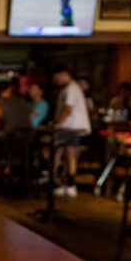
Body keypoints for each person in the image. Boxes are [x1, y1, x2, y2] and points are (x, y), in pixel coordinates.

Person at [52, 64, 91, 197]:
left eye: (56, 77)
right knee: (68, 155)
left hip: (71, 127)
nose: (56, 80)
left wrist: (58, 124)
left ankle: (67, 183)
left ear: (62, 74)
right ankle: (66, 183)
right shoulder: (70, 88)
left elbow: (68, 108)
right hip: (71, 127)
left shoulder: (71, 88)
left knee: (67, 154)